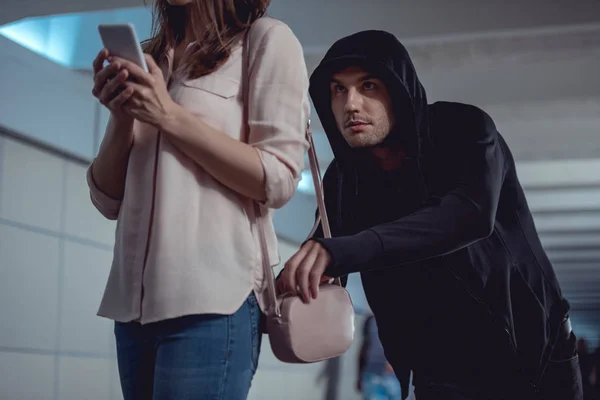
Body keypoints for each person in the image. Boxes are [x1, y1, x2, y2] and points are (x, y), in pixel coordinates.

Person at [278, 30, 583, 399]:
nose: (351, 104)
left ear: (398, 88)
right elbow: (321, 254)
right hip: (438, 369)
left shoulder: (463, 130)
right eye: (338, 90)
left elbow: (469, 214)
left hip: (532, 356)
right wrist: (287, 278)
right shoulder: (344, 181)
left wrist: (338, 251)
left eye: (368, 85)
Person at [88, 0, 309, 399]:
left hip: (212, 305)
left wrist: (168, 114)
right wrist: (122, 117)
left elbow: (277, 179)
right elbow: (106, 200)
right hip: (132, 312)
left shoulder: (267, 41)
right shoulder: (150, 55)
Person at [358, 315, 402, 400]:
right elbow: (364, 348)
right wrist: (359, 375)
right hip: (372, 375)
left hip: (395, 378)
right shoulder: (370, 320)